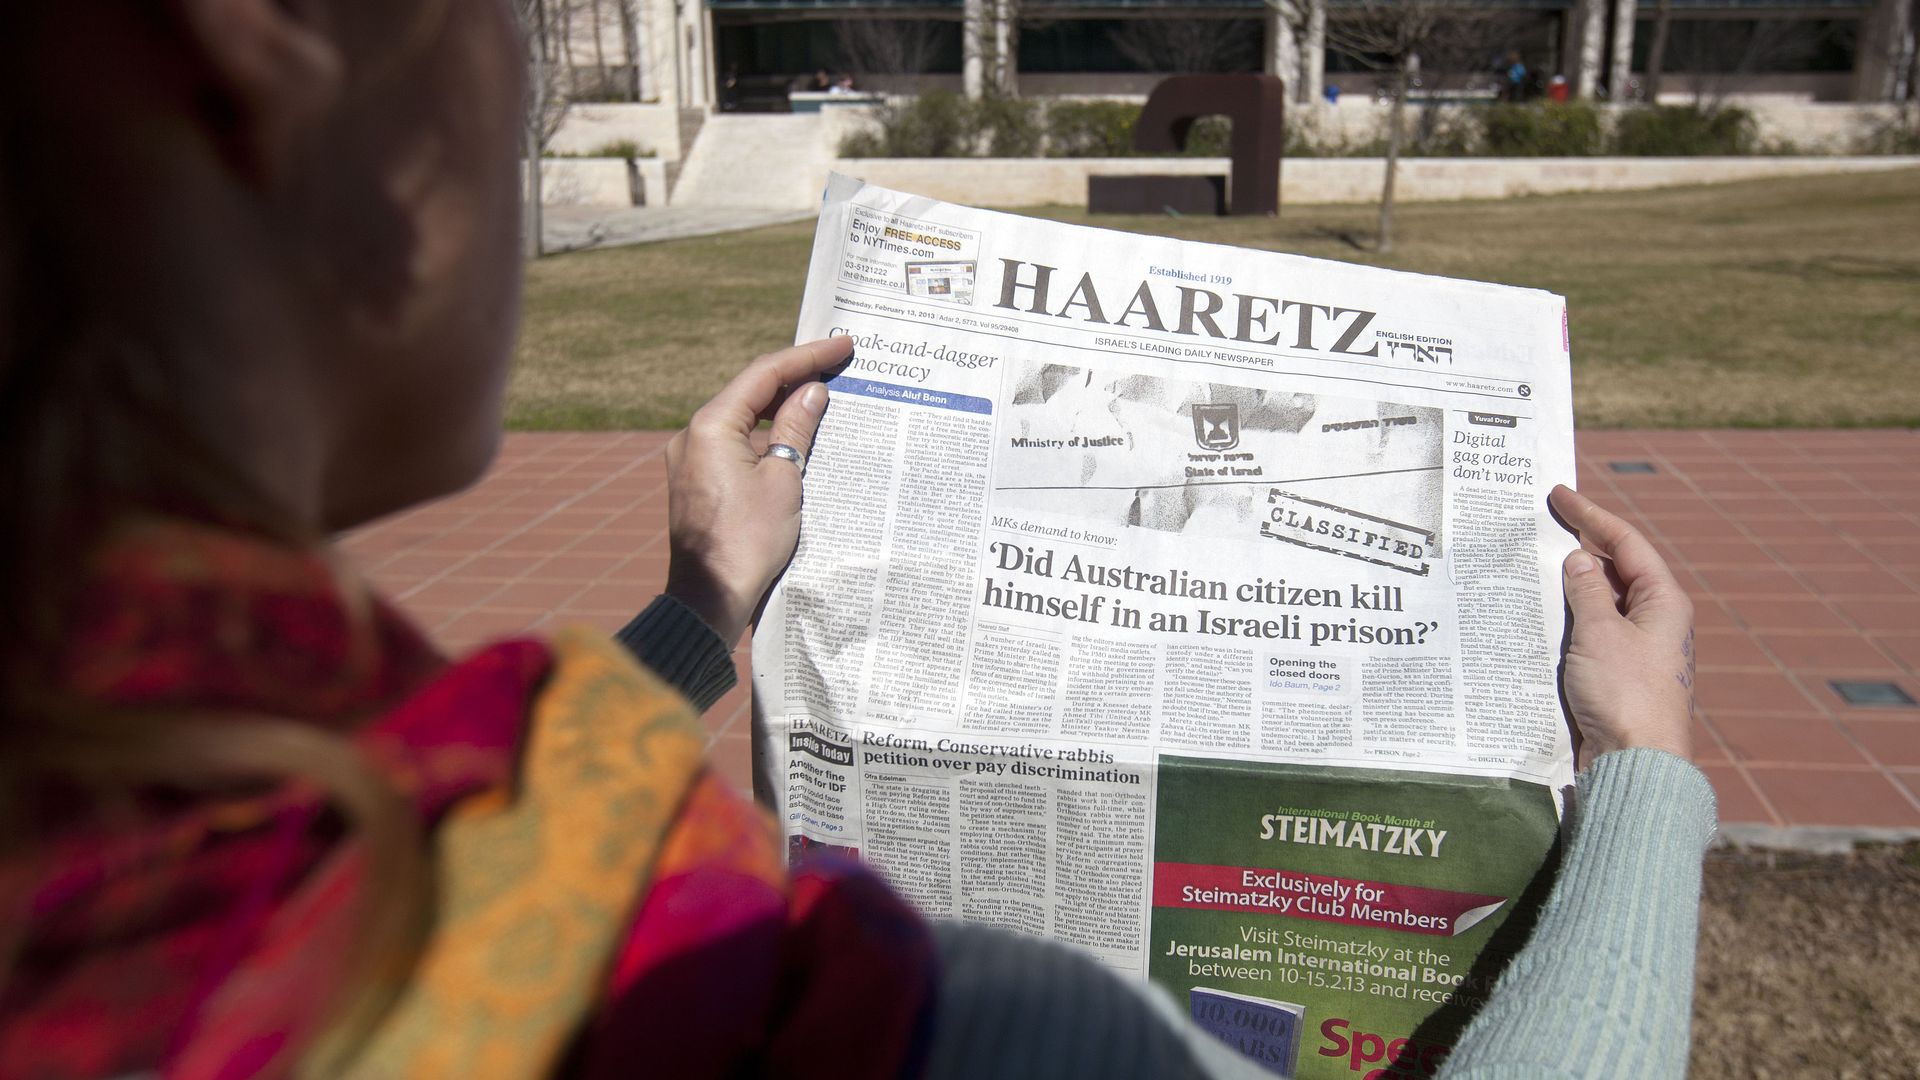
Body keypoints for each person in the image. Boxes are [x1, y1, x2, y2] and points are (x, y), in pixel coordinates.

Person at [0, 2, 1713, 1077]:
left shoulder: (130, 812)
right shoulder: (777, 1001)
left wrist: (703, 617)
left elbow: (514, 784)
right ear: (265, 32)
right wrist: (1640, 776)